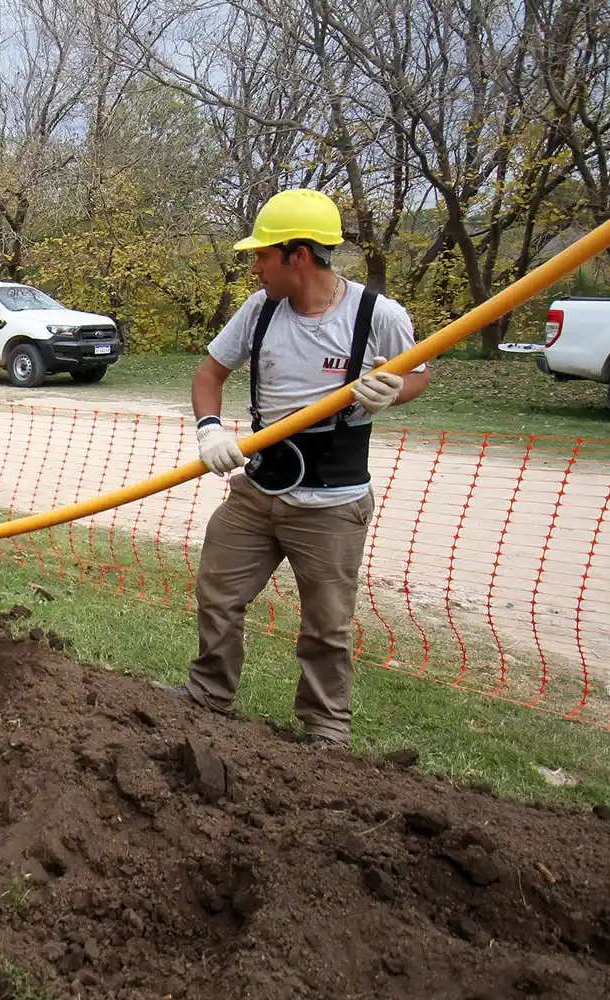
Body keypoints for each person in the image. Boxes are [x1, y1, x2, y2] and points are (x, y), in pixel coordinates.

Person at [174, 189, 430, 747]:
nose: (253, 266)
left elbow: (417, 376)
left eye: (262, 254)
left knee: (326, 625)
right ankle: (208, 694)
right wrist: (210, 428)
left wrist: (395, 390)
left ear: (299, 255)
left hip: (332, 502)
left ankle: (325, 730)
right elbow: (207, 375)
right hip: (257, 489)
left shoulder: (377, 316)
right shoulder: (259, 310)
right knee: (218, 592)